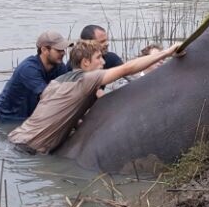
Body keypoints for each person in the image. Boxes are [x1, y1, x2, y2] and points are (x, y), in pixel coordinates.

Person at [9, 40, 180, 154]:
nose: (104, 63)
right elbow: (127, 69)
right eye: (99, 58)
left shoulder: (55, 83)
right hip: (30, 150)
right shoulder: (87, 79)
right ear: (85, 63)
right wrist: (167, 53)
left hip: (16, 139)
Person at [0, 31, 72, 123]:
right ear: (44, 50)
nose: (63, 53)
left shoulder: (59, 67)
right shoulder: (28, 69)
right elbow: (49, 96)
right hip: (4, 116)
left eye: (63, 50)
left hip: (26, 116)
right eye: (58, 50)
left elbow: (65, 90)